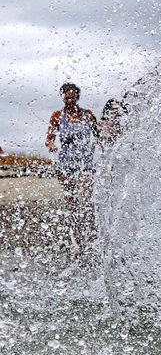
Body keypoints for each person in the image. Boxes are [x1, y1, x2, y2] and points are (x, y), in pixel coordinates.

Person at [45, 82, 99, 254]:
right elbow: (49, 138)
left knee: (85, 199)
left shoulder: (87, 114)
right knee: (72, 204)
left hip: (85, 162)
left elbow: (98, 135)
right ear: (62, 97)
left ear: (78, 97)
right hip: (66, 163)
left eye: (73, 97)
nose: (70, 100)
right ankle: (76, 240)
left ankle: (90, 238)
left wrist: (96, 147)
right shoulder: (57, 116)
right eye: (67, 97)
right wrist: (52, 144)